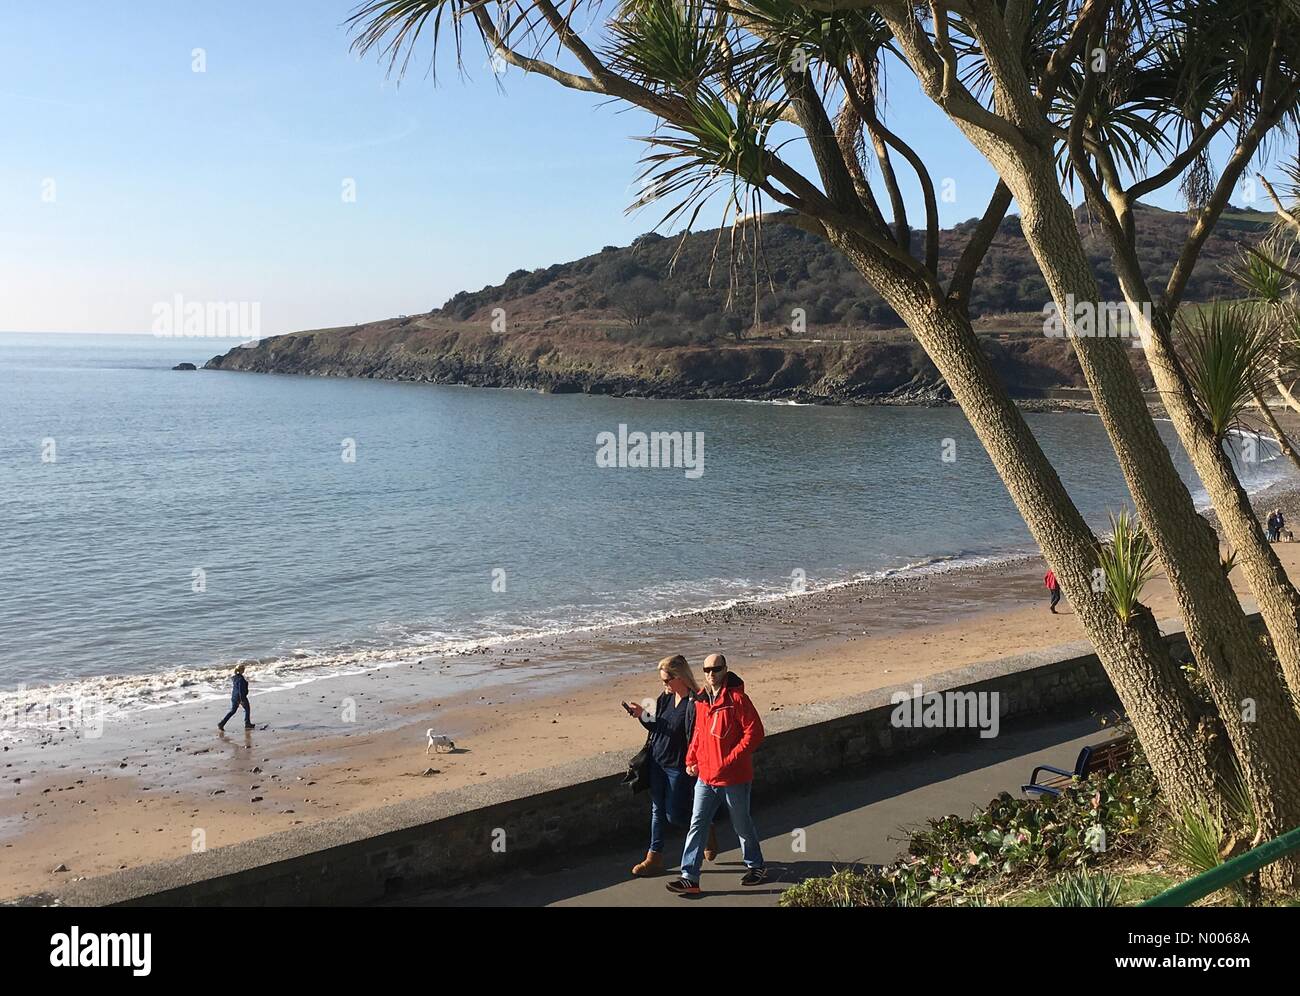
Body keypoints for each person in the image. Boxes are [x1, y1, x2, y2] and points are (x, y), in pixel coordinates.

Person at [667, 653, 766, 895]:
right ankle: (689, 876)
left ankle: (756, 865)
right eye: (706, 670)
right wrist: (691, 759)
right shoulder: (701, 700)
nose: (711, 674)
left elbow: (755, 733)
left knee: (741, 824)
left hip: (734, 778)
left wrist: (730, 760)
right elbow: (699, 734)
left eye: (716, 669)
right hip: (706, 776)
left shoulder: (737, 699)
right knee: (697, 825)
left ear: (725, 669)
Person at [623, 655, 719, 877]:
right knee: (657, 810)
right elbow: (659, 726)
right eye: (663, 681)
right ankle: (654, 856)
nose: (664, 685)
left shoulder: (695, 704)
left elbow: (699, 737)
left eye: (667, 680)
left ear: (680, 677)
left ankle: (706, 829)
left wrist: (695, 762)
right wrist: (642, 715)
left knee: (674, 815)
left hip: (678, 766)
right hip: (657, 761)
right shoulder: (666, 698)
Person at [218, 664, 254, 731]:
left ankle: (222, 723)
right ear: (241, 670)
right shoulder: (240, 679)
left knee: (233, 711)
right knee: (247, 709)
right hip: (240, 697)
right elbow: (240, 690)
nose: (244, 670)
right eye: (243, 669)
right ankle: (247, 723)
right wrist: (242, 700)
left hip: (234, 696)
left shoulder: (235, 677)